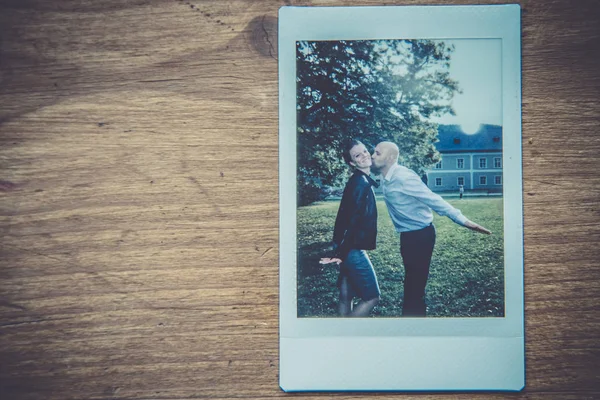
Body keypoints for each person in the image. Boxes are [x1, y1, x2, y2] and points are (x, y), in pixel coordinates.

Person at [371, 141, 491, 317]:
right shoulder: (385, 176)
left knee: (415, 286)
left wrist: (463, 220)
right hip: (407, 236)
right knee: (411, 283)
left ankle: (414, 325)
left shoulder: (404, 177)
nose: (372, 155)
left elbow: (434, 199)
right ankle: (410, 321)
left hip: (420, 236)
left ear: (390, 158)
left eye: (377, 153)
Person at [320, 139, 381, 317]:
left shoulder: (359, 180)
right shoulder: (360, 183)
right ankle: (348, 333)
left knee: (346, 296)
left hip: (345, 247)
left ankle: (341, 335)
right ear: (351, 162)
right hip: (351, 249)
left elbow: (343, 219)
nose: (364, 155)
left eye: (364, 151)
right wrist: (340, 254)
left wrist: (338, 248)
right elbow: (351, 223)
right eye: (357, 155)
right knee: (372, 297)